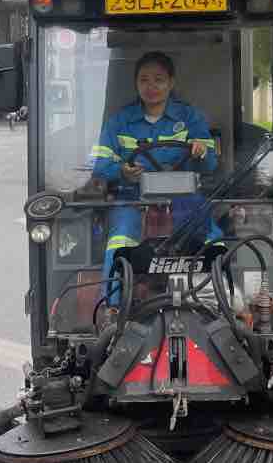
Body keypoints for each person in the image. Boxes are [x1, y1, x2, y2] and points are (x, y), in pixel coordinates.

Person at [90, 51, 222, 297]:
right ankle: (112, 308)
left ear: (171, 83)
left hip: (184, 197)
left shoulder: (189, 118)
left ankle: (222, 300)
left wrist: (202, 152)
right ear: (136, 83)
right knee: (120, 240)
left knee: (211, 236)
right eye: (144, 80)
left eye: (159, 79)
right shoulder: (119, 121)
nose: (151, 86)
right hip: (132, 198)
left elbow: (211, 165)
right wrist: (122, 172)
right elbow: (100, 165)